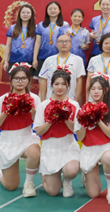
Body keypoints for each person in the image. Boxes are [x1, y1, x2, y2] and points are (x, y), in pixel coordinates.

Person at [0, 63, 41, 197]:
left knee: (35, 152)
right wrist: (7, 111)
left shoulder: (34, 99)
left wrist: (31, 109)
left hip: (27, 137)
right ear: (11, 80)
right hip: (7, 140)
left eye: (23, 78)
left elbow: (40, 122)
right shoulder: (2, 99)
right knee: (11, 186)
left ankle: (29, 184)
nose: (20, 81)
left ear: (28, 80)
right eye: (17, 78)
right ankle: (0, 171)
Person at [33, 68, 81, 197]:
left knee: (71, 171)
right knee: (53, 192)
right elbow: (38, 131)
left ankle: (67, 181)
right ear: (51, 85)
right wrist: (50, 120)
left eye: (63, 84)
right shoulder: (44, 105)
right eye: (56, 84)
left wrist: (65, 118)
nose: (60, 87)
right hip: (50, 147)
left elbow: (77, 130)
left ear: (68, 86)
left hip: (68, 145)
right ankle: (45, 173)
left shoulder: (74, 105)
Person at [75, 73, 110, 204]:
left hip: (106, 146)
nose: (96, 91)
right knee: (94, 194)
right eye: (93, 88)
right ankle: (86, 175)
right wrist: (85, 121)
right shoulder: (83, 109)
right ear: (89, 90)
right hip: (89, 148)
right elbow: (80, 137)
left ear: (106, 90)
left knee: (108, 158)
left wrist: (98, 119)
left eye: (99, 88)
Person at [38, 34, 86, 105]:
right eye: (61, 41)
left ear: (71, 44)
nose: (64, 43)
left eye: (67, 41)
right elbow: (44, 80)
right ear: (56, 44)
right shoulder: (49, 60)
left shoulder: (78, 60)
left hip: (70, 99)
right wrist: (43, 101)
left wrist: (76, 99)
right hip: (51, 99)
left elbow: (79, 81)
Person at [87, 33, 110, 111]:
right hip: (95, 97)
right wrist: (87, 98)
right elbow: (88, 80)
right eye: (106, 43)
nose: (108, 46)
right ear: (101, 44)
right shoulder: (93, 60)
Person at [33, 1, 70, 72]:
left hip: (59, 57)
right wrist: (35, 59)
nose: (52, 10)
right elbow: (37, 42)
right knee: (42, 77)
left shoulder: (65, 25)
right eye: (50, 9)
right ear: (46, 11)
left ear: (59, 11)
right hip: (43, 56)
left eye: (55, 9)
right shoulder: (41, 25)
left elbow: (66, 42)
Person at [3, 4, 36, 71]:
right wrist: (6, 61)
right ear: (19, 14)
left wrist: (35, 60)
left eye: (28, 13)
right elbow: (8, 45)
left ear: (32, 15)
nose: (25, 14)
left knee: (28, 77)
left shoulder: (36, 28)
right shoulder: (12, 28)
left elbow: (37, 45)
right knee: (15, 77)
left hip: (30, 61)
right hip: (14, 60)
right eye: (23, 12)